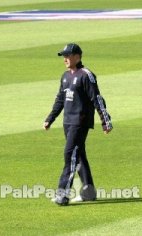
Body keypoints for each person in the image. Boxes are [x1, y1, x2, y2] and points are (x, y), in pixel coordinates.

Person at [43, 43, 113, 206]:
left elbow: (97, 99)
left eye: (68, 56)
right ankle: (89, 192)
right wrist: (50, 118)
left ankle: (63, 194)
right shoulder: (65, 76)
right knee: (79, 156)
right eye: (64, 56)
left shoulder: (86, 75)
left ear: (77, 56)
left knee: (70, 154)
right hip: (67, 122)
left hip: (80, 123)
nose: (65, 59)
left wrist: (105, 121)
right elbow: (60, 99)